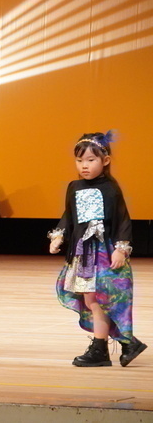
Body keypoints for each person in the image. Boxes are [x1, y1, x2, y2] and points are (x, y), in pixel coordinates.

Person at [48, 131, 147, 367]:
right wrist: (59, 235)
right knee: (91, 299)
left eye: (91, 160)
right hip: (84, 253)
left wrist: (121, 249)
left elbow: (122, 219)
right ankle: (125, 343)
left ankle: (102, 347)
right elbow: (69, 215)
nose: (84, 165)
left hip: (103, 251)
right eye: (79, 160)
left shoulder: (110, 188)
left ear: (105, 160)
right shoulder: (74, 187)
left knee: (100, 298)